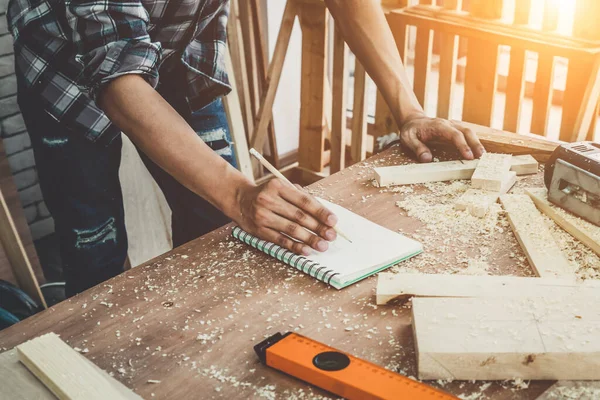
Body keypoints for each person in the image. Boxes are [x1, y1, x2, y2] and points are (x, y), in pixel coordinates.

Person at [7, 0, 485, 296]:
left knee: (220, 229)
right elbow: (120, 82)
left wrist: (410, 111)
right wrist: (238, 193)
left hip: (179, 45)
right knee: (94, 244)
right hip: (62, 67)